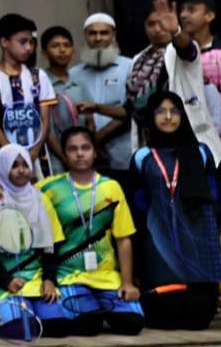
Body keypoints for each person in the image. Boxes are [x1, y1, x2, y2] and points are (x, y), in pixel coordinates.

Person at [129, 89, 221, 330]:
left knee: (199, 317)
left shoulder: (201, 152)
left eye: (174, 111)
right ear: (151, 117)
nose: (168, 117)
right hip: (157, 244)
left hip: (197, 239)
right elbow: (137, 203)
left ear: (183, 115)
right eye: (161, 111)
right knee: (163, 316)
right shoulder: (142, 156)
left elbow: (212, 197)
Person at [37, 126, 143, 337]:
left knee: (132, 324)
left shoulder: (111, 187)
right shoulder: (48, 188)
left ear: (95, 152)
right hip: (70, 276)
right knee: (88, 326)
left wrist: (127, 282)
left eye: (85, 148)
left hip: (107, 276)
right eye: (72, 149)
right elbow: (17, 190)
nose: (79, 154)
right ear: (64, 154)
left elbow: (123, 239)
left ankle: (99, 306)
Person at [0, 143, 64, 341]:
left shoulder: (42, 199)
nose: (21, 170)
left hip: (37, 280)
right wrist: (6, 281)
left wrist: (49, 280)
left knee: (57, 327)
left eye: (25, 164)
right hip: (5, 283)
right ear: (3, 168)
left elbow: (51, 247)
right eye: (14, 165)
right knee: (20, 331)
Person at [128, 0, 221, 163]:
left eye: (161, 23)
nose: (158, 29)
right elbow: (133, 105)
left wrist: (176, 32)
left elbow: (188, 50)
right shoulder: (139, 59)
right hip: (151, 141)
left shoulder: (178, 50)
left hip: (189, 140)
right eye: (151, 24)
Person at [0, 14, 56, 174]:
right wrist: (15, 157)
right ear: (4, 42)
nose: (29, 47)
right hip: (4, 155)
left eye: (31, 42)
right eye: (23, 42)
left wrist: (33, 153)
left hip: (37, 156)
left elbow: (45, 120)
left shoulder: (38, 76)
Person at [68, 13, 135, 177]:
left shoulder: (130, 67)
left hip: (123, 156)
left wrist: (96, 139)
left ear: (113, 35)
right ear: (85, 36)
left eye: (104, 33)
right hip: (83, 158)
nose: (98, 38)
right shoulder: (73, 74)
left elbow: (132, 110)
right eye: (92, 33)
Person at [178, 0, 221, 152]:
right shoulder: (172, 56)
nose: (183, 15)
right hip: (187, 138)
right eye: (182, 10)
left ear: (209, 16)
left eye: (191, 9)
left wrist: (211, 118)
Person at [39, 27, 86, 175]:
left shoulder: (79, 83)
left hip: (80, 157)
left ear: (73, 51)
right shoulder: (40, 82)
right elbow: (44, 127)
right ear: (44, 53)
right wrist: (66, 158)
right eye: (55, 46)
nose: (62, 50)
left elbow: (88, 121)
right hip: (54, 161)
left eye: (67, 45)